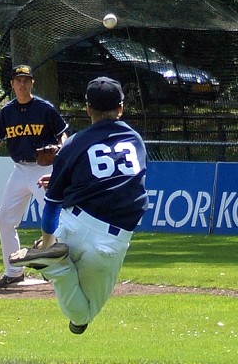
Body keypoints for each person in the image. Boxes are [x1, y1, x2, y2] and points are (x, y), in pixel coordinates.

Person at [9, 76, 148, 334]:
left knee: (52, 262)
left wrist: (48, 241)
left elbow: (52, 204)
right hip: (108, 240)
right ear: (121, 108)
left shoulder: (74, 143)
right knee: (81, 318)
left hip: (72, 224)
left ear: (88, 109)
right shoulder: (134, 140)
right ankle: (57, 266)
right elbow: (119, 181)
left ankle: (51, 259)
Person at [0, 65, 69, 288]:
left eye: (26, 80)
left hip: (44, 169)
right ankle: (13, 272)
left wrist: (62, 149)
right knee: (4, 220)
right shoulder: (7, 112)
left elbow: (62, 134)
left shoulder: (44, 108)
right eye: (18, 80)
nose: (22, 84)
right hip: (20, 170)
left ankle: (59, 269)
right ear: (12, 84)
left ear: (32, 83)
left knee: (56, 219)